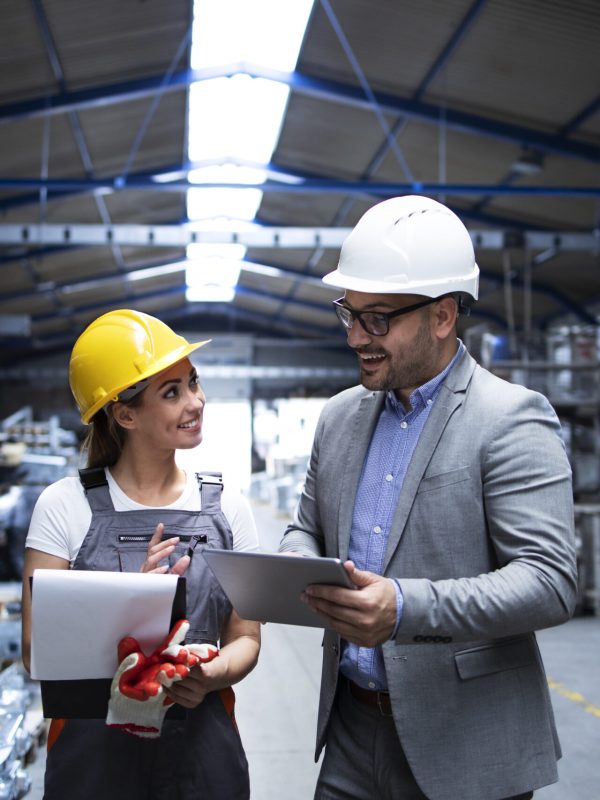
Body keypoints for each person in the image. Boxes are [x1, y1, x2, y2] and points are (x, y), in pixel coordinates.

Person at [279, 195, 577, 800]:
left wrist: (407, 609)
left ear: (443, 316)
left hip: (464, 743)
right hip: (350, 733)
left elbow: (549, 581)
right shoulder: (339, 418)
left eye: (379, 319)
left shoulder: (510, 419)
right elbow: (306, 526)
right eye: (350, 314)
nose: (358, 337)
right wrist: (295, 566)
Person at [21, 309, 260, 799]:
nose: (196, 402)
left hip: (202, 756)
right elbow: (33, 653)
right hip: (94, 764)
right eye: (171, 393)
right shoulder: (63, 507)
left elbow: (247, 638)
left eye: (192, 382)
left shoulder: (227, 508)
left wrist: (211, 674)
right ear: (124, 413)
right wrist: (133, 604)